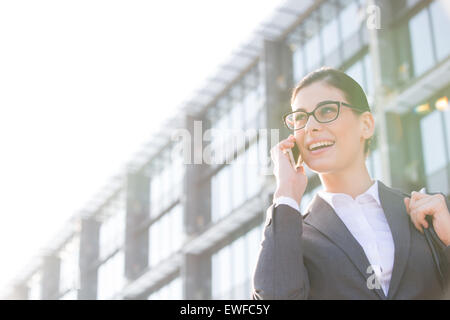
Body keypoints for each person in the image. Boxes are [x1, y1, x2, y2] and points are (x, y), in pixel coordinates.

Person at [252, 67, 450, 300]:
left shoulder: (430, 214)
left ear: (366, 125)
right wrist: (285, 193)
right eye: (300, 118)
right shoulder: (293, 238)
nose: (310, 127)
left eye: (326, 111)